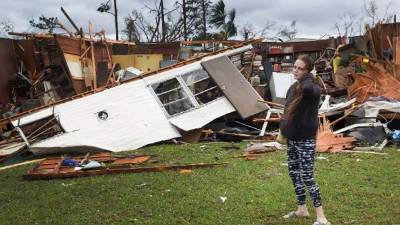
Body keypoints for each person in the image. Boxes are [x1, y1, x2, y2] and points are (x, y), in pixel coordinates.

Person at [279, 55, 331, 225]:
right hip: (293, 138)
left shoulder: (313, 88)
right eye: (294, 67)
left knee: (308, 176)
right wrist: (283, 131)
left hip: (306, 140)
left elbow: (308, 88)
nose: (295, 70)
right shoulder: (294, 87)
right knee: (294, 173)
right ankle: (302, 209)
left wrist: (310, 76)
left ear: (308, 71)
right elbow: (287, 110)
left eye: (300, 68)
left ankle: (321, 217)